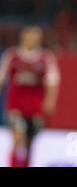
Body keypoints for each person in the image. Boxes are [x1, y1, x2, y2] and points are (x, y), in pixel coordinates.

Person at [0, 25, 60, 167]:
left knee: (29, 143)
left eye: (35, 38)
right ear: (23, 38)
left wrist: (49, 101)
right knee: (17, 138)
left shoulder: (45, 58)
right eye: (30, 37)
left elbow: (52, 82)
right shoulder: (12, 55)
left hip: (34, 106)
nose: (32, 40)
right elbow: (2, 78)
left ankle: (27, 164)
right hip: (16, 105)